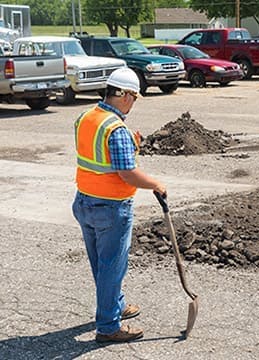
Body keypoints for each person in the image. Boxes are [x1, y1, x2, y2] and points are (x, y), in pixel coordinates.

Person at [72, 67, 166, 343]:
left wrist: (130, 144)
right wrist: (156, 185)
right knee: (112, 266)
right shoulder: (116, 128)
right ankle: (108, 326)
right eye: (134, 97)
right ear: (124, 95)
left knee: (103, 265)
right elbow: (127, 174)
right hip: (111, 207)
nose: (133, 103)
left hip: (84, 201)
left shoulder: (86, 117)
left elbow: (95, 154)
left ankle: (116, 305)